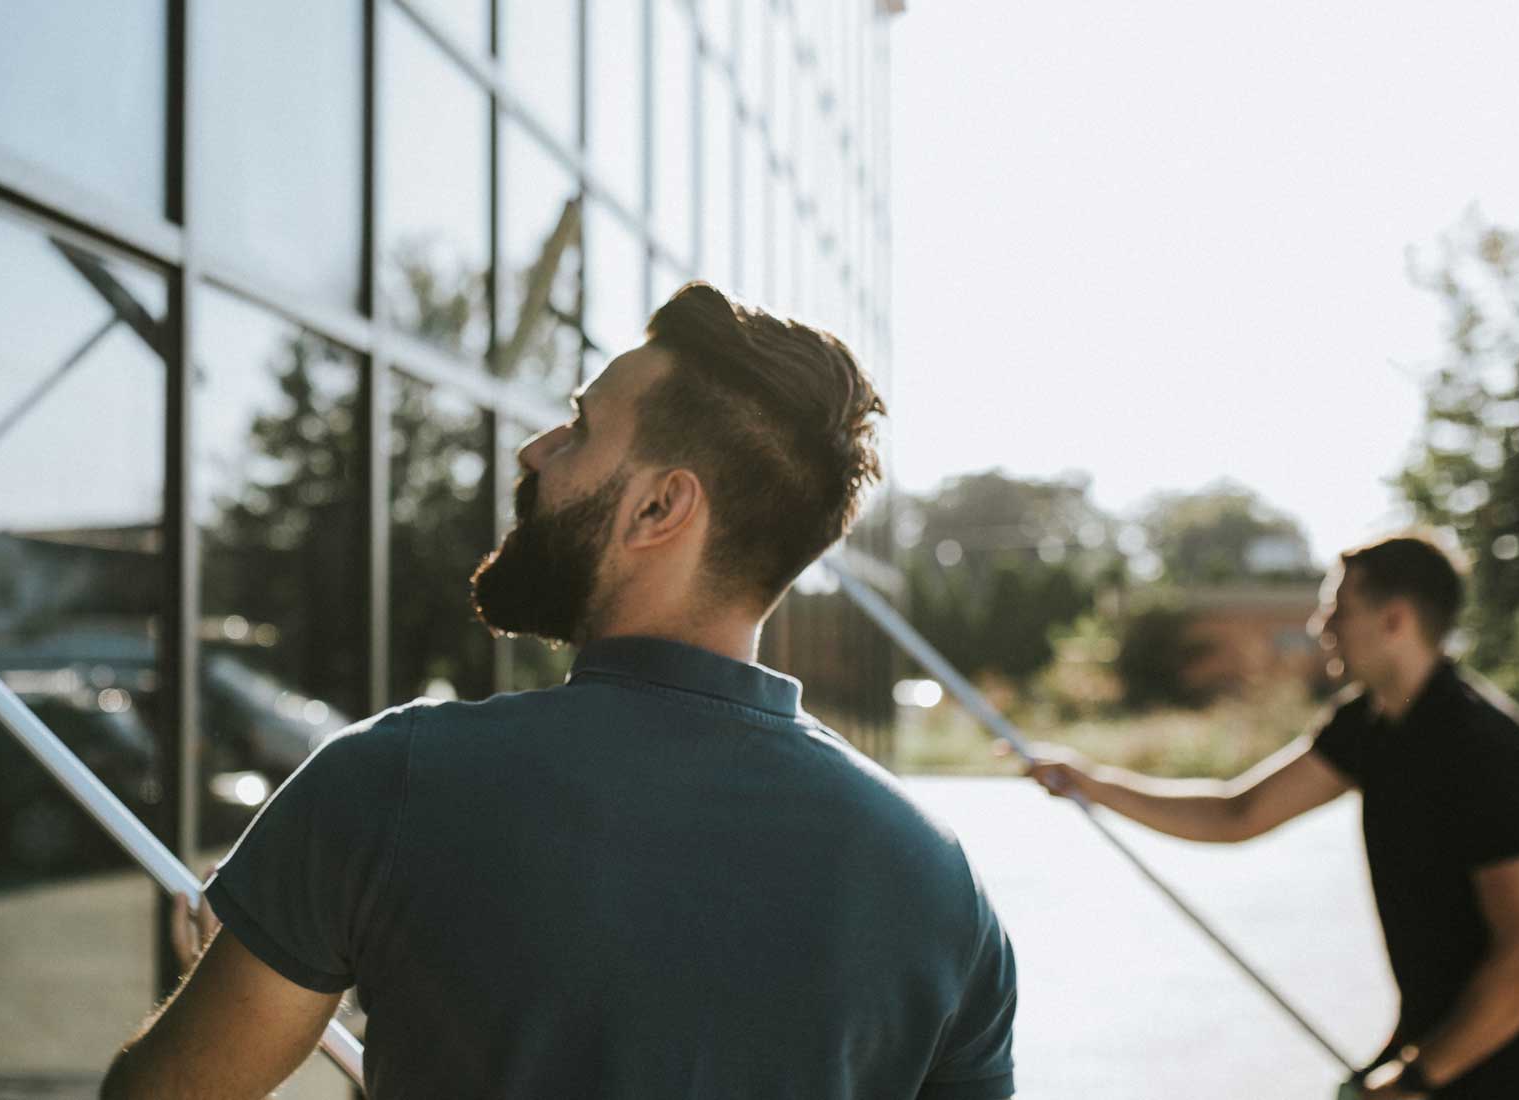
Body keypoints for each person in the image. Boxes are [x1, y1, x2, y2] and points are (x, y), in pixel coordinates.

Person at [103, 283, 1019, 1099]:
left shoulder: (391, 784)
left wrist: (232, 972)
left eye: (579, 429)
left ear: (661, 507)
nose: (537, 452)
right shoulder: (941, 888)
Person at [1022, 534, 1519, 1099]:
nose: (1320, 626)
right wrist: (1091, 782)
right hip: (1435, 1058)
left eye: (1338, 608)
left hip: (1516, 1075)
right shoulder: (1367, 725)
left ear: (1395, 619)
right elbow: (1237, 812)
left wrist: (1415, 1077)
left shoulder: (1482, 748)